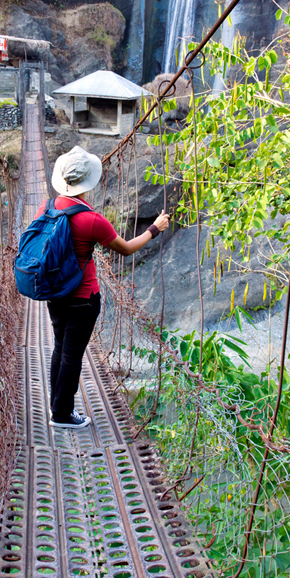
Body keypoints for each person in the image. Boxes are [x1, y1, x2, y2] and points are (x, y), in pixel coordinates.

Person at [44, 145, 168, 426]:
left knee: (60, 348)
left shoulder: (49, 207)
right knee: (72, 357)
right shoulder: (91, 220)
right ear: (87, 182)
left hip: (55, 294)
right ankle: (62, 415)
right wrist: (153, 229)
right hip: (83, 299)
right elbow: (125, 249)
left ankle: (57, 408)